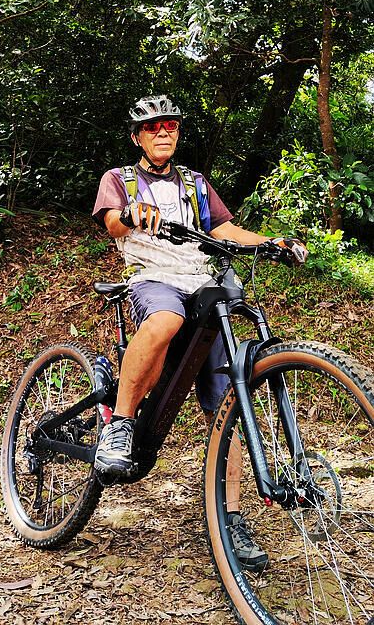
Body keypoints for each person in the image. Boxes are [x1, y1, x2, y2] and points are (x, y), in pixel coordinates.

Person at [92, 95, 308, 571]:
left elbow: (226, 229)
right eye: (152, 127)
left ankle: (230, 518)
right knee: (165, 321)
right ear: (138, 137)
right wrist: (131, 214)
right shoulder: (120, 179)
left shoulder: (194, 183)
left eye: (169, 125)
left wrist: (271, 242)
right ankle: (120, 424)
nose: (162, 132)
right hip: (153, 277)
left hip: (200, 282)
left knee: (228, 402)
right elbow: (111, 223)